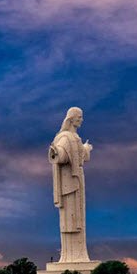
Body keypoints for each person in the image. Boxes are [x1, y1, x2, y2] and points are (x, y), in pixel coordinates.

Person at [49, 107, 93, 263]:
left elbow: (80, 157)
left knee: (79, 220)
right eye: (79, 117)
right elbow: (60, 154)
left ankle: (81, 255)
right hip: (69, 186)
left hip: (78, 182)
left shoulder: (75, 137)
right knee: (69, 220)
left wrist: (86, 149)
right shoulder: (65, 137)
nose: (81, 120)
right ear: (71, 119)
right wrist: (55, 152)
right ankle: (68, 257)